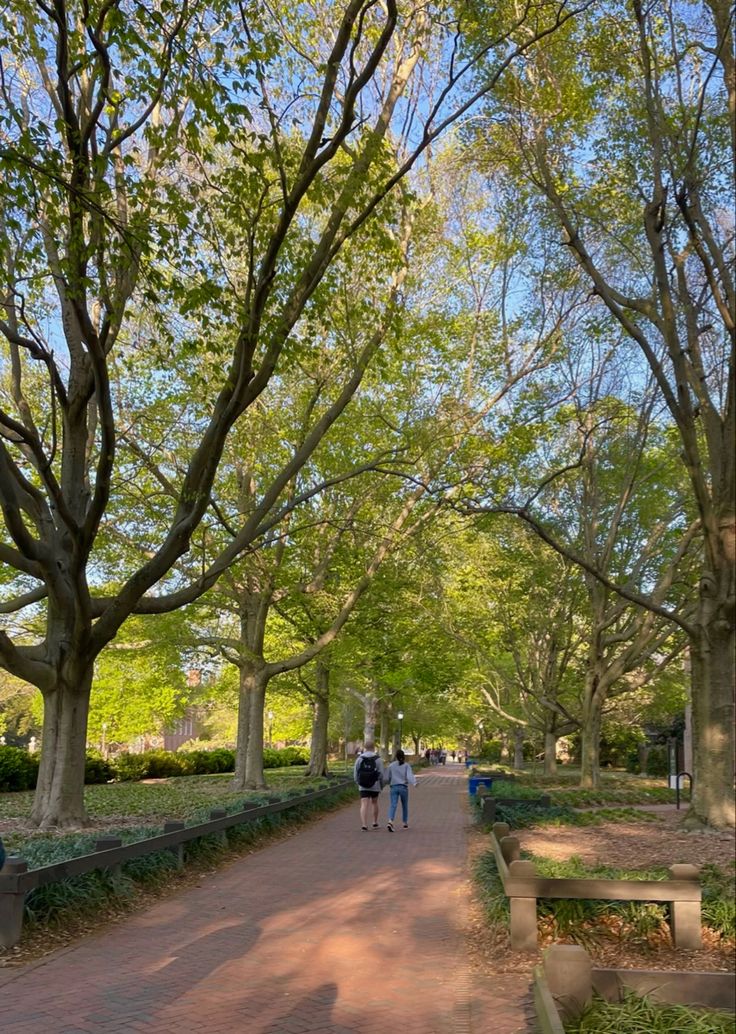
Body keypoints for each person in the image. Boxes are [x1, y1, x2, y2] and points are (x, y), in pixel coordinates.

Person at [353, 740, 385, 831]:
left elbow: (355, 773)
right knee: (374, 803)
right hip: (375, 785)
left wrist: (358, 782)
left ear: (365, 748)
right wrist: (380, 784)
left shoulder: (359, 759)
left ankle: (364, 825)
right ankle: (374, 823)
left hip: (363, 785)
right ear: (374, 747)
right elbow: (381, 774)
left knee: (364, 804)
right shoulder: (378, 759)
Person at [386, 749, 417, 831]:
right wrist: (414, 783)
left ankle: (390, 821)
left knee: (393, 804)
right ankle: (405, 823)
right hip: (403, 787)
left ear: (396, 757)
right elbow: (409, 776)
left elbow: (387, 777)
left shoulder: (391, 765)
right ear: (404, 756)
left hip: (394, 787)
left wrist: (385, 783)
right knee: (404, 805)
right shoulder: (406, 765)